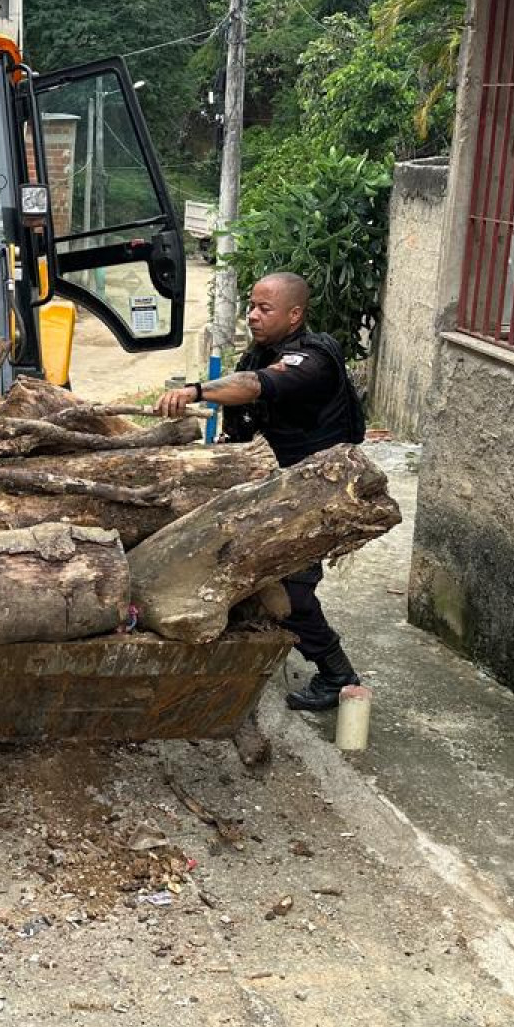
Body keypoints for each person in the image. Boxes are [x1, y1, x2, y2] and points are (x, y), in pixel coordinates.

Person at [156, 273, 365, 760]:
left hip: (325, 493)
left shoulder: (314, 359)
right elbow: (243, 426)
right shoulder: (257, 355)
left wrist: (194, 392)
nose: (252, 314)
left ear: (294, 315)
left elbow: (254, 388)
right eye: (251, 306)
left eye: (264, 308)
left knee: (291, 591)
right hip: (276, 491)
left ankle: (337, 675)